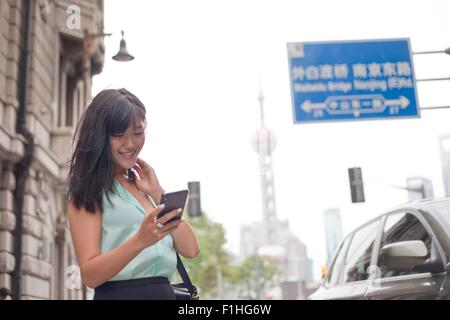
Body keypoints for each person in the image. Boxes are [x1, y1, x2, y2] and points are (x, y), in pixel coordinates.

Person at [67, 88, 199, 300]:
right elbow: (90, 275)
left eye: (137, 133)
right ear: (99, 136)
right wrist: (140, 240)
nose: (130, 144)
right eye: (119, 135)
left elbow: (191, 249)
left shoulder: (144, 189)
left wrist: (157, 192)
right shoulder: (88, 192)